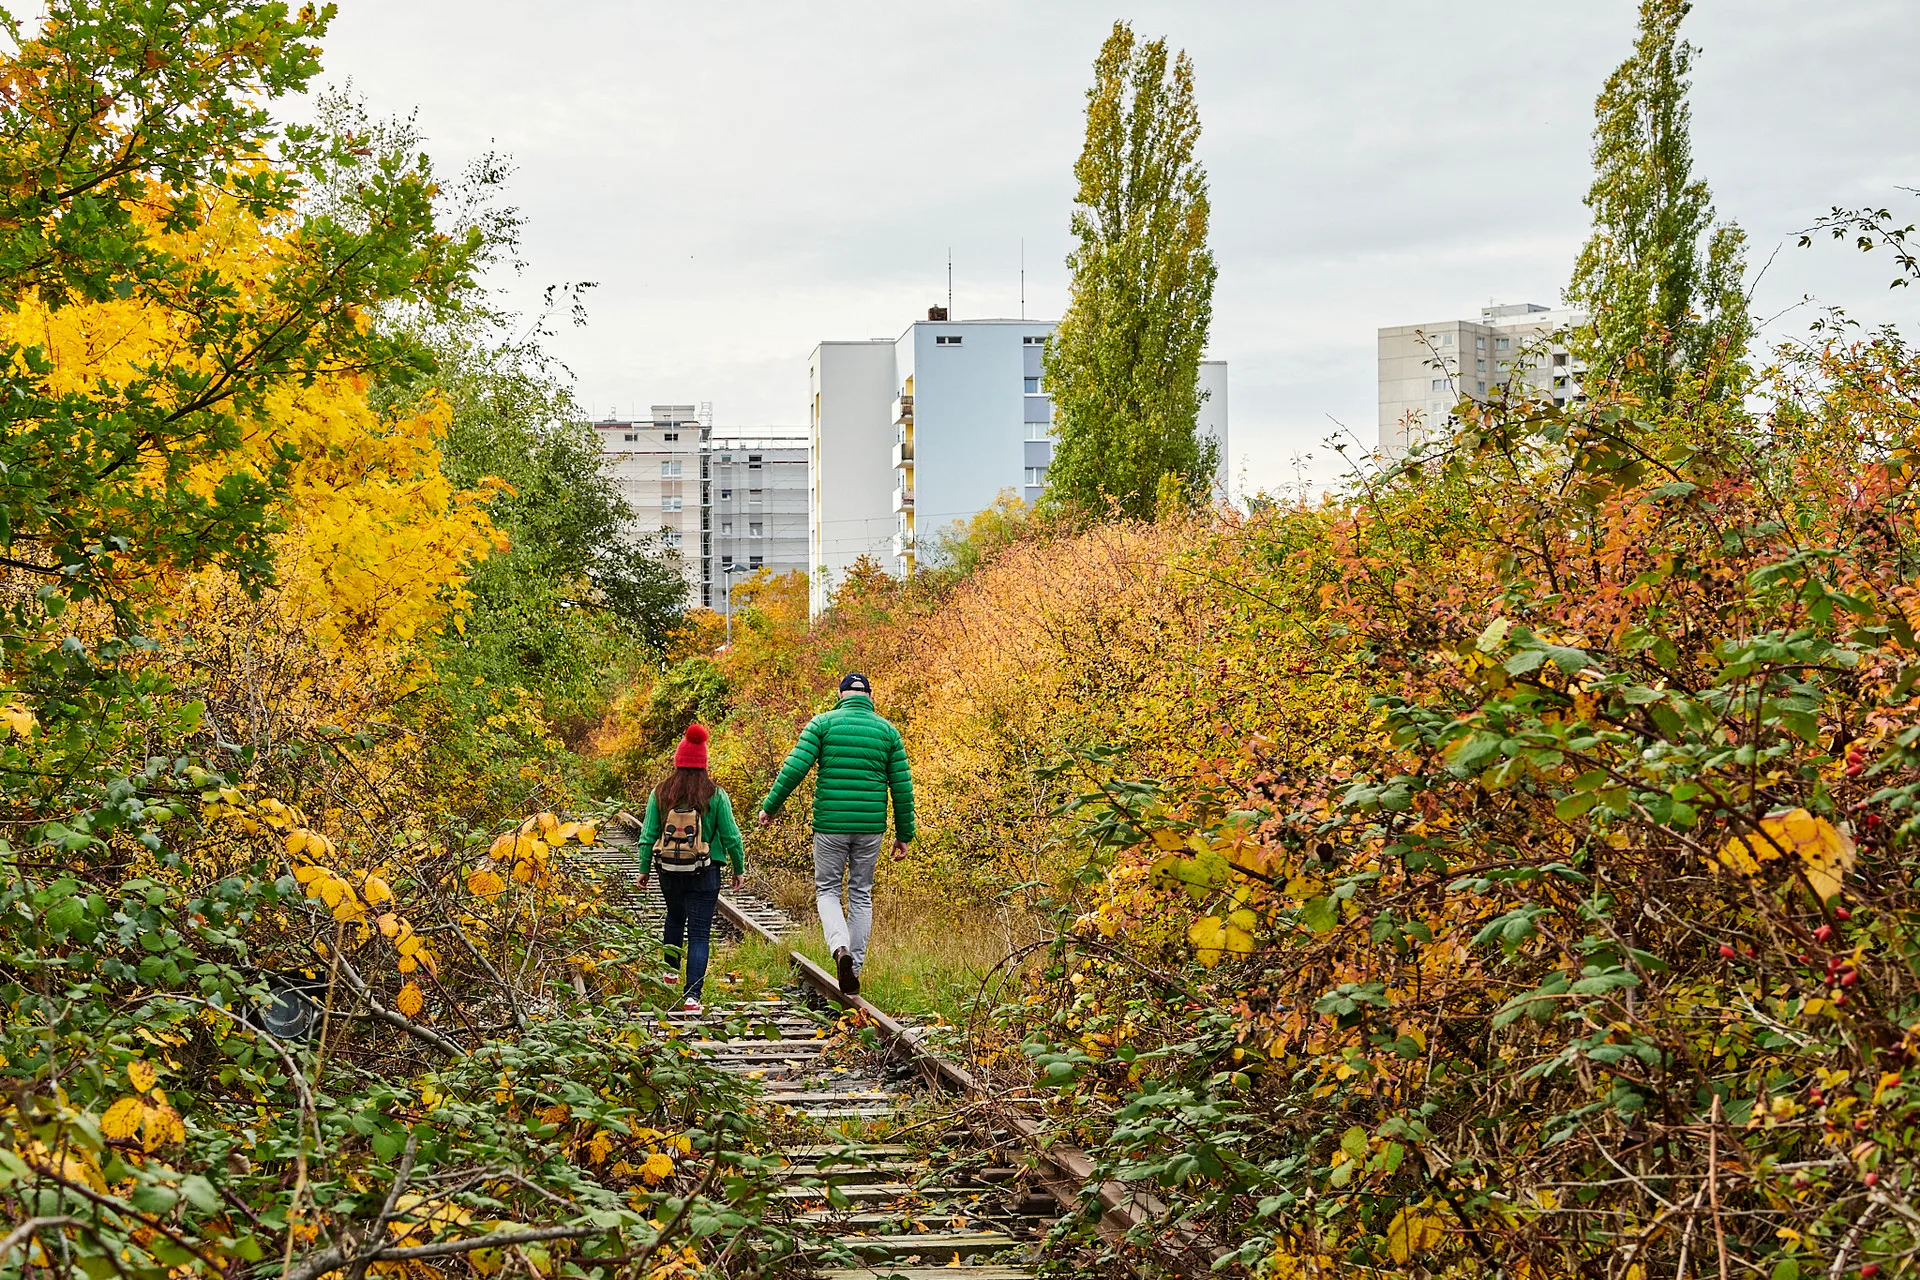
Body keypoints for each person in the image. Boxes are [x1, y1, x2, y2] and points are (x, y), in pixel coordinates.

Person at [758, 672, 913, 997]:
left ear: (841, 694)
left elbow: (794, 768)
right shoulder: (888, 732)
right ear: (869, 696)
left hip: (830, 825)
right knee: (860, 893)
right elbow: (901, 788)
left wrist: (770, 807)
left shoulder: (822, 724)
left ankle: (839, 947)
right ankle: (852, 971)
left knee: (828, 890)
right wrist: (904, 833)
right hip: (870, 828)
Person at [635, 724, 744, 1013]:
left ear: (678, 760)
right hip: (705, 871)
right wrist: (738, 868)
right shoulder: (716, 794)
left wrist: (644, 869)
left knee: (674, 916)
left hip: (668, 870)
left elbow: (648, 835)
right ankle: (692, 997)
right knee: (699, 932)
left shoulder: (660, 792)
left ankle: (670, 972)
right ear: (704, 763)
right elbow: (732, 836)